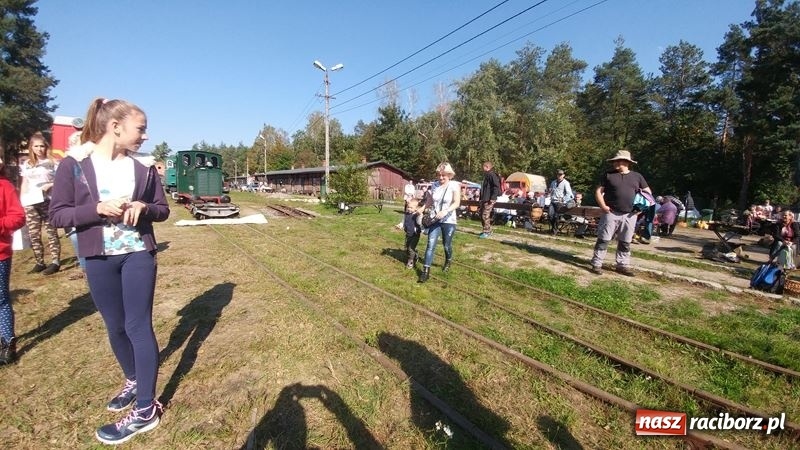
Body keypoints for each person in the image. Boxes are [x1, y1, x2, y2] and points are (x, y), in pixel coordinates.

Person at [49, 98, 170, 445]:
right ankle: (133, 379)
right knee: (114, 326)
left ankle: (146, 409)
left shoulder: (144, 168)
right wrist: (96, 208)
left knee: (137, 325)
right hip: (98, 258)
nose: (145, 136)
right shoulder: (74, 165)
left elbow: (162, 210)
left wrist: (143, 206)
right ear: (116, 127)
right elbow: (58, 215)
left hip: (137, 255)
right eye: (141, 128)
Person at [590, 150, 651, 276]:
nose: (614, 163)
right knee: (603, 239)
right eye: (614, 161)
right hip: (610, 213)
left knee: (625, 241)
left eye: (617, 161)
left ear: (626, 162)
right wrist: (603, 206)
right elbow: (598, 192)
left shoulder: (637, 176)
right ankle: (596, 264)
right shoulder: (608, 175)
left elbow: (648, 193)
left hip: (630, 215)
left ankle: (622, 265)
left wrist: (640, 208)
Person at [19, 132, 61, 275]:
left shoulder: (52, 162)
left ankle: (55, 261)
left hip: (47, 201)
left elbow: (62, 180)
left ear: (46, 147)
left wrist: (50, 185)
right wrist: (22, 199)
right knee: (34, 233)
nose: (39, 149)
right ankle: (39, 262)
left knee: (51, 232)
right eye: (36, 146)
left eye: (41, 146)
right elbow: (25, 182)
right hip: (31, 202)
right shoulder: (27, 164)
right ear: (31, 147)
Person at [0, 156, 27, 365]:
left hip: (0, 253)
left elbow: (18, 217)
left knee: (0, 299)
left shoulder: (5, 187)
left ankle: (8, 342)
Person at [418, 162, 460, 283]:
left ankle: (448, 260)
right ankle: (425, 272)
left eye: (444, 175)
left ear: (449, 175)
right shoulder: (434, 185)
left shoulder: (454, 185)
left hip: (449, 220)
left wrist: (446, 210)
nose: (441, 178)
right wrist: (421, 208)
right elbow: (430, 201)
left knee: (446, 245)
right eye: (439, 175)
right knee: (430, 244)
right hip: (435, 219)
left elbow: (457, 203)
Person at [478, 161, 501, 238]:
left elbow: (496, 187)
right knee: (482, 215)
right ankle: (487, 230)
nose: (482, 168)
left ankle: (487, 232)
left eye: (483, 167)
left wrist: (493, 198)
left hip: (489, 199)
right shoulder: (487, 175)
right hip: (485, 199)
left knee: (485, 215)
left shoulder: (492, 175)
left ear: (487, 167)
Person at [548, 169, 575, 234]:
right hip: (553, 201)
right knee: (550, 215)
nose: (559, 176)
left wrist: (563, 199)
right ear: (557, 175)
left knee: (556, 216)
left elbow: (570, 194)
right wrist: (549, 192)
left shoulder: (566, 183)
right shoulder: (553, 182)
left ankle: (554, 230)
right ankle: (554, 228)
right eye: (558, 174)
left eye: (561, 175)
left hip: (560, 203)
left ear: (563, 175)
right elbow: (551, 190)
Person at [403, 198, 425, 269]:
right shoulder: (407, 214)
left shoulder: (417, 215)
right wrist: (400, 225)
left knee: (410, 248)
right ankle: (415, 255)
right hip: (408, 234)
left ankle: (410, 262)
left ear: (416, 208)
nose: (409, 209)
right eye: (408, 207)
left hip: (415, 235)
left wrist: (420, 214)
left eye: (411, 207)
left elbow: (419, 222)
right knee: (407, 248)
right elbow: (404, 221)